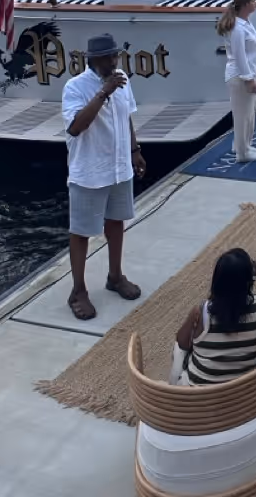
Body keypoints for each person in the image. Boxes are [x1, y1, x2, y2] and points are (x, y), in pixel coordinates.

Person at [61, 33, 146, 321]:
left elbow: (126, 115)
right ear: (92, 60)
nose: (113, 61)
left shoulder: (122, 78)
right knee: (82, 231)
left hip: (119, 166)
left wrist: (135, 150)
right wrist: (104, 92)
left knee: (116, 222)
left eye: (115, 56)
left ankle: (115, 276)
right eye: (107, 57)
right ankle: (78, 290)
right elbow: (75, 127)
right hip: (90, 171)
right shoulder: (75, 87)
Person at [172, 248, 256, 385]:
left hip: (203, 401)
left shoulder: (200, 313)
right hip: (249, 395)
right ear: (250, 280)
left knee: (178, 351)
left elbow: (182, 342)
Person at [216, 0, 256, 163]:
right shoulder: (237, 28)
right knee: (242, 115)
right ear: (245, 5)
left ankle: (243, 145)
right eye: (252, 0)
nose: (255, 3)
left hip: (251, 73)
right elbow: (240, 55)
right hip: (240, 77)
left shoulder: (246, 22)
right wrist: (249, 79)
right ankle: (242, 153)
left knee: (249, 114)